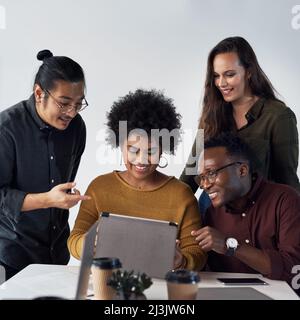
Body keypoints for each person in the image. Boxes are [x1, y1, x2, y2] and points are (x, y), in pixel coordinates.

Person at [68, 89, 206, 271]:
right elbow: (74, 241)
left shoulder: (182, 195)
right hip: (106, 283)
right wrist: (88, 243)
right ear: (120, 144)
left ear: (164, 149)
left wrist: (181, 260)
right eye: (133, 150)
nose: (141, 160)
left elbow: (197, 253)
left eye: (151, 151)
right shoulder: (99, 187)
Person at [180, 36, 299, 213]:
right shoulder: (211, 116)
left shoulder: (278, 116)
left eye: (229, 74)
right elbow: (190, 174)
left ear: (249, 71)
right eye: (216, 76)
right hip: (213, 211)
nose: (221, 83)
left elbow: (286, 179)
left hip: (259, 213)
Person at [0, 50, 90, 279]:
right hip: (10, 257)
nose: (71, 112)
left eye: (79, 104)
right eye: (64, 103)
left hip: (56, 256)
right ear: (39, 93)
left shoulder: (77, 128)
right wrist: (48, 199)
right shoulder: (7, 129)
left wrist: (64, 197)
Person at [191, 133, 300, 292]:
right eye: (201, 178)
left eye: (211, 173)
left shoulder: (285, 200)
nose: (204, 185)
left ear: (242, 170)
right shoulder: (211, 213)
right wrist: (182, 259)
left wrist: (230, 245)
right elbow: (208, 273)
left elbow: (294, 269)